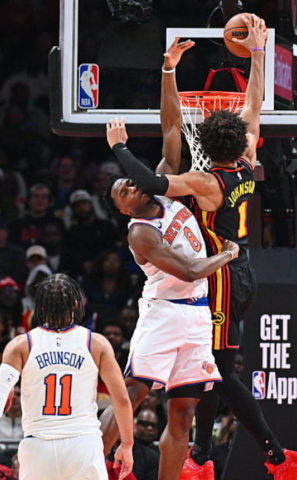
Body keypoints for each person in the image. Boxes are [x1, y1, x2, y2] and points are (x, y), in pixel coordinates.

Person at [106, 29, 297, 480]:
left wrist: (119, 147)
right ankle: (200, 457)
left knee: (218, 368)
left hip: (220, 274)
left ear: (207, 149)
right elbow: (252, 103)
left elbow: (160, 171)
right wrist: (258, 53)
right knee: (210, 367)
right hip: (242, 266)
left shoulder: (203, 183)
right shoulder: (249, 152)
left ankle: (275, 457)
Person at [99, 160, 239, 480]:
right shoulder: (140, 232)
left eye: (130, 181)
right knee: (133, 393)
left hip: (199, 314)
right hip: (164, 312)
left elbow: (171, 134)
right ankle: (87, 468)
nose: (132, 186)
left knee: (183, 413)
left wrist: (175, 105)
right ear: (123, 210)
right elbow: (189, 271)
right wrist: (228, 254)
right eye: (124, 190)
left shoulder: (165, 191)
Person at [0, 274, 135, 480]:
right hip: (82, 445)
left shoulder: (21, 345)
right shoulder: (96, 343)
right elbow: (121, 398)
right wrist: (126, 445)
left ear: (41, 307)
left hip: (38, 447)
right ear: (76, 304)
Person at [131, 409, 161, 480]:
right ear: (135, 425)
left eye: (153, 425)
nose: (149, 428)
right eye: (145, 424)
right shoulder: (124, 447)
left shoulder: (158, 455)